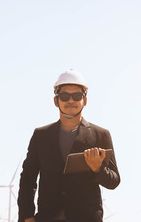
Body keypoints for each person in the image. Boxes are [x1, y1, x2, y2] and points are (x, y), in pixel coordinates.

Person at [18, 69, 120, 222]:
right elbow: (28, 178)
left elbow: (114, 181)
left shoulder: (101, 135)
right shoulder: (41, 135)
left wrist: (98, 168)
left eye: (77, 96)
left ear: (84, 100)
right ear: (56, 101)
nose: (70, 100)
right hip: (47, 217)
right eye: (65, 96)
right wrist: (26, 216)